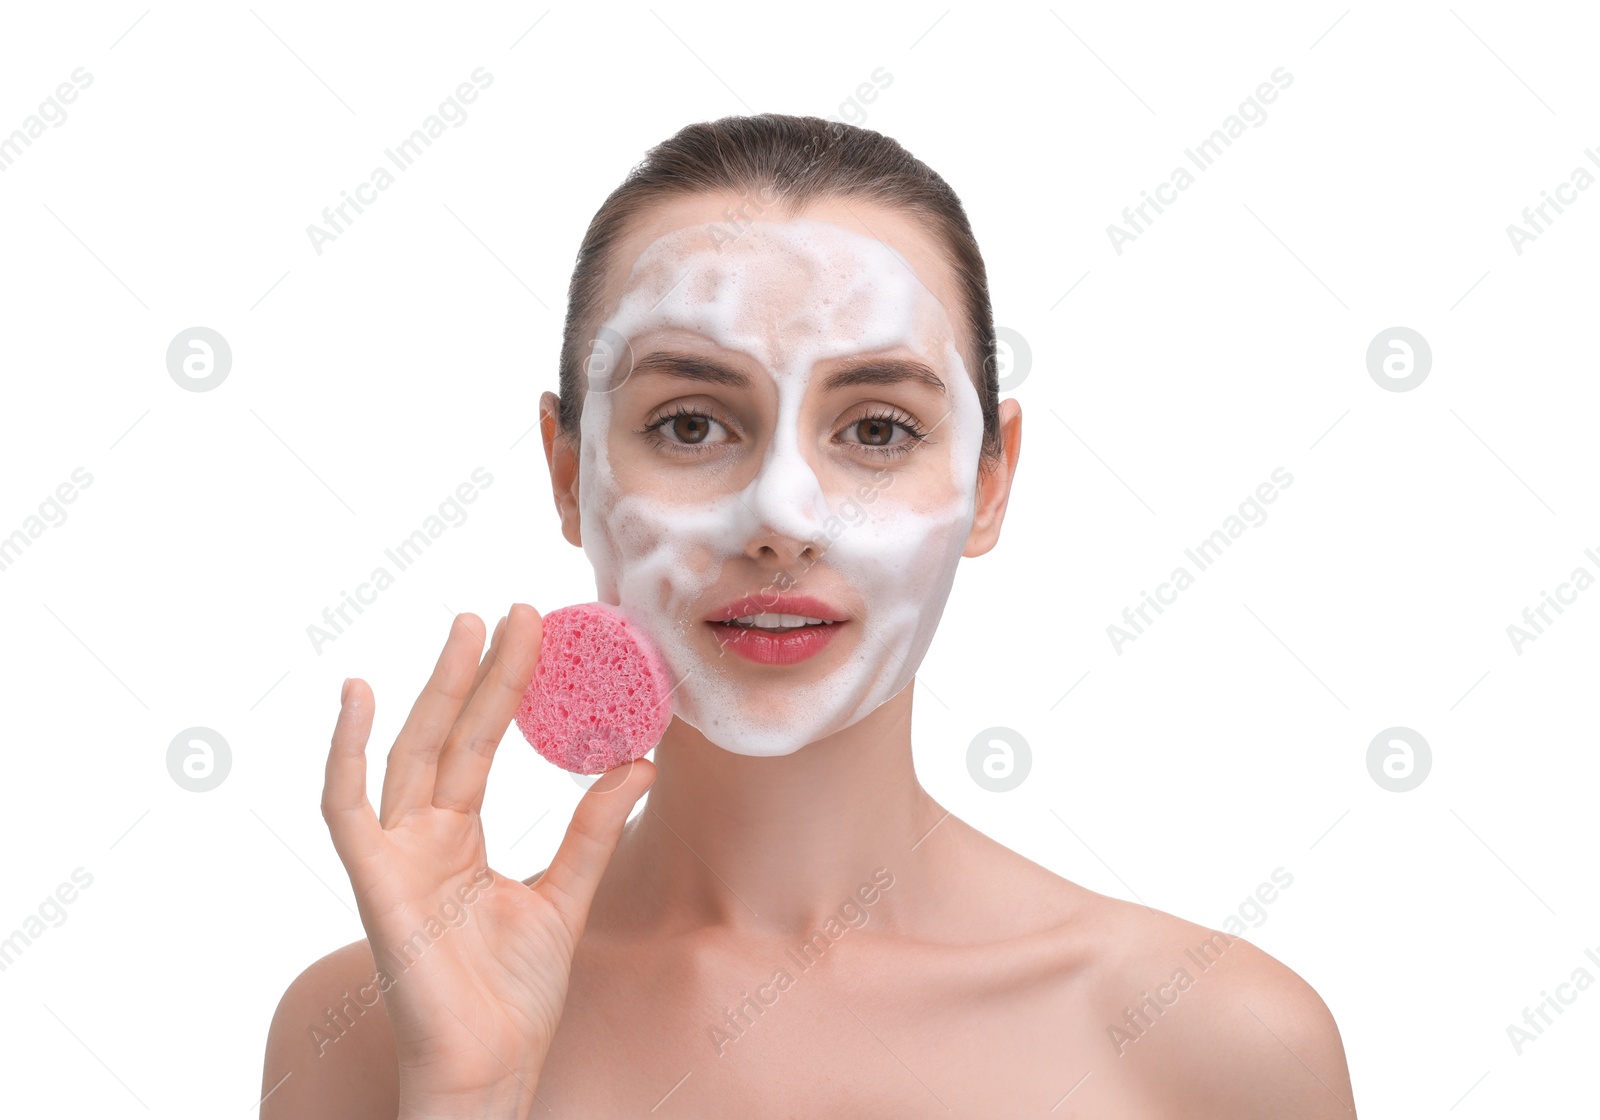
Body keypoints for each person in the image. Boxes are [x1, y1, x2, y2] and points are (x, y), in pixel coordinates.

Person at [261, 114, 1357, 1118]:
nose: (782, 516)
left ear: (990, 481)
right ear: (567, 471)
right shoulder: (370, 1028)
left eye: (876, 430)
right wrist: (466, 1090)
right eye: (689, 425)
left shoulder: (1214, 1043)